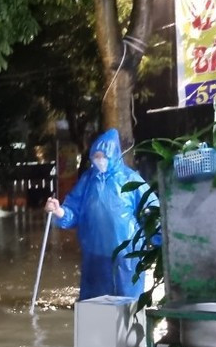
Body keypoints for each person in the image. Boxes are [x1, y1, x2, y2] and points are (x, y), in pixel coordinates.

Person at [44, 127, 159, 301]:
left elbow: (151, 211)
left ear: (113, 155)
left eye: (103, 156)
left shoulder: (130, 179)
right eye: (95, 156)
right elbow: (73, 209)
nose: (99, 160)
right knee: (95, 305)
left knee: (128, 303)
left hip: (127, 254)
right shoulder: (88, 180)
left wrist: (159, 236)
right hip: (95, 254)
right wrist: (59, 211)